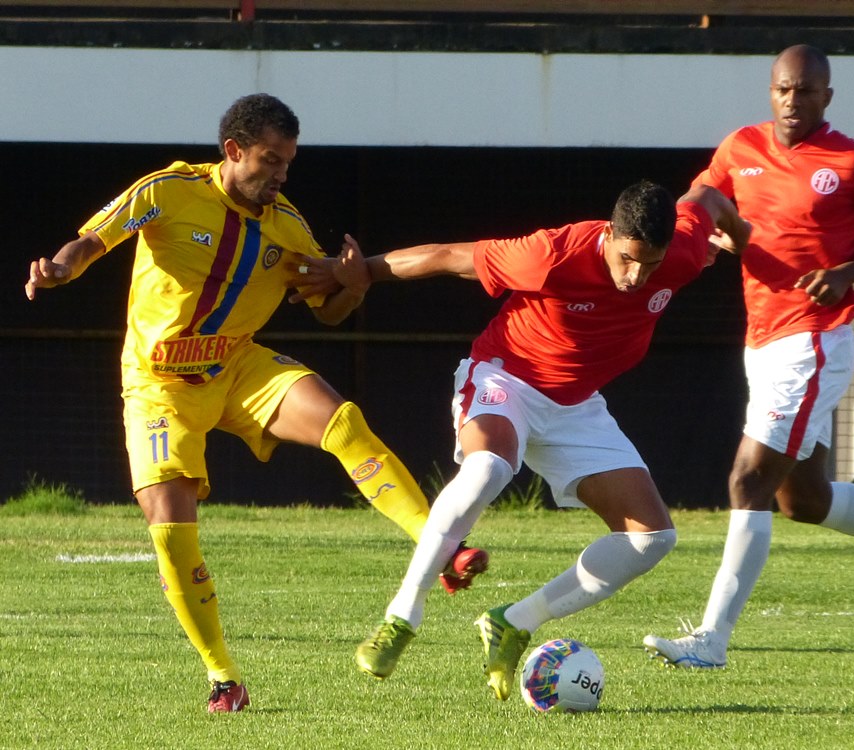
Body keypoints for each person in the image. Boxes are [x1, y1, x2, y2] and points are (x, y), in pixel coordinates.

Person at [23, 93, 486, 713]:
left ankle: (443, 551)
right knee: (169, 527)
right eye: (270, 160)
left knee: (342, 422)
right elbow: (92, 243)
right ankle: (223, 677)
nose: (280, 175)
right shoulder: (166, 190)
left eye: (288, 163)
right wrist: (57, 270)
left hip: (236, 365)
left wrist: (348, 284)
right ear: (234, 150)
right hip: (160, 383)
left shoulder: (287, 227)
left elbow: (327, 310)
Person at [294, 179, 751, 700]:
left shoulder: (687, 250)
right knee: (488, 469)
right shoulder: (551, 255)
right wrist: (363, 271)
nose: (636, 276)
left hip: (577, 405)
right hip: (505, 379)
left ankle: (512, 622)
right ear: (609, 234)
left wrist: (739, 233)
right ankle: (402, 614)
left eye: (650, 265)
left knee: (653, 539)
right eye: (627, 259)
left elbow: (708, 196)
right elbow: (448, 256)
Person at [642, 45, 854, 670]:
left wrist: (849, 271)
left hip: (813, 342)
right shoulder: (741, 147)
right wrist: (700, 225)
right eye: (782, 91)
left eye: (805, 91)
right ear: (770, 92)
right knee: (805, 500)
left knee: (748, 480)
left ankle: (711, 641)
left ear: (828, 95)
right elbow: (703, 193)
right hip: (762, 339)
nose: (792, 102)